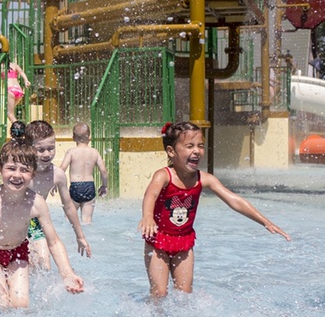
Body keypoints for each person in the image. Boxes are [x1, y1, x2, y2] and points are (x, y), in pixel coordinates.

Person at [138, 121, 291, 298]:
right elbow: (150, 195)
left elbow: (234, 200)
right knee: (159, 293)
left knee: (184, 294)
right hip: (158, 241)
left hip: (184, 243)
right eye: (189, 146)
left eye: (200, 146)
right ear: (171, 151)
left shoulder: (204, 179)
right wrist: (147, 217)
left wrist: (265, 221)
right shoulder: (164, 175)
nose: (197, 151)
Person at [0, 139, 84, 308]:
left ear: (33, 174)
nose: (17, 175)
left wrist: (67, 274)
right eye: (11, 168)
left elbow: (54, 242)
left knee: (21, 305)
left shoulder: (36, 203)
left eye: (25, 170)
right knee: (1, 303)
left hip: (18, 253)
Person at [25, 121, 91, 269]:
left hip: (35, 222)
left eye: (51, 148)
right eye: (40, 150)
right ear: (29, 148)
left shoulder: (57, 175)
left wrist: (80, 236)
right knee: (23, 264)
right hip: (15, 221)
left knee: (44, 265)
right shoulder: (22, 171)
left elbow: (68, 206)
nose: (47, 154)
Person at [59, 122, 108, 224]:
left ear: (73, 138)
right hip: (89, 187)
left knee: (69, 219)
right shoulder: (94, 152)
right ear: (89, 137)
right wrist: (104, 186)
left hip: (76, 186)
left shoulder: (71, 152)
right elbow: (103, 170)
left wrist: (55, 182)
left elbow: (62, 168)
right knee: (87, 221)